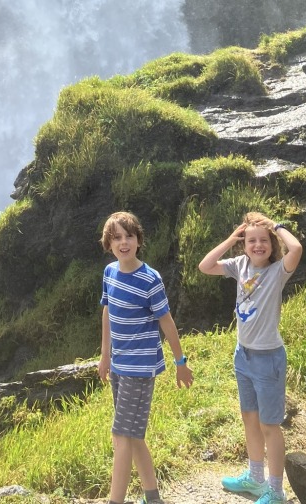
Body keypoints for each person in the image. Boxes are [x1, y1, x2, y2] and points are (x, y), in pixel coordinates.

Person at [198, 213, 302, 504]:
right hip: (242, 355)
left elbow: (296, 249)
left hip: (268, 358)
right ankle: (256, 478)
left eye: (264, 240)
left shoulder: (278, 271)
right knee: (250, 419)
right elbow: (205, 266)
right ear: (244, 244)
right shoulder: (239, 265)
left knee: (270, 425)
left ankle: (276, 490)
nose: (258, 245)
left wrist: (275, 225)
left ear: (272, 244)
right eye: (251, 240)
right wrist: (232, 238)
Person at [99, 210, 194, 504]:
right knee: (133, 435)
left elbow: (166, 321)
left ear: (139, 241)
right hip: (118, 365)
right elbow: (107, 313)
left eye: (129, 236)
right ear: (109, 243)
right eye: (117, 238)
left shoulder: (150, 279)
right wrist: (105, 356)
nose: (123, 242)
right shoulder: (110, 273)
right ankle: (152, 496)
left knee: (121, 436)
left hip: (139, 369)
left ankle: (115, 501)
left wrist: (181, 363)